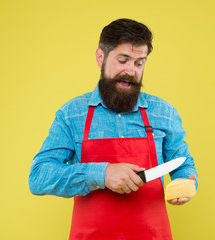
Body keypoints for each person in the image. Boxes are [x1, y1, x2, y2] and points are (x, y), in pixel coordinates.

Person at [29, 18, 198, 240]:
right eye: (123, 60)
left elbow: (184, 165)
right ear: (101, 58)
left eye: (139, 63)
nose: (131, 70)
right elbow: (39, 176)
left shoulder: (162, 113)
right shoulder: (72, 114)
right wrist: (101, 173)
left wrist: (185, 182)